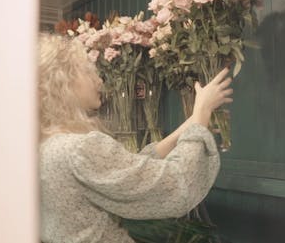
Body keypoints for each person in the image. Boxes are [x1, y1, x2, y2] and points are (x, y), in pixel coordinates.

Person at [38, 33, 233, 243]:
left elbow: (129, 168)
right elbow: (176, 185)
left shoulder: (49, 145)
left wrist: (195, 119)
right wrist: (202, 113)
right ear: (65, 82)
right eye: (88, 72)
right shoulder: (80, 148)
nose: (99, 80)